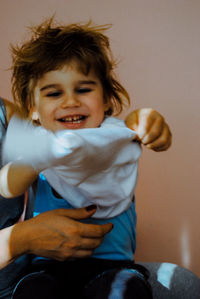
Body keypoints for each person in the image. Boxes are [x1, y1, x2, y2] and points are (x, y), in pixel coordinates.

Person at [0, 18, 199, 299]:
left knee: (124, 290)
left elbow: (137, 125)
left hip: (112, 268)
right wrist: (38, 158)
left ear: (106, 99)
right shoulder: (38, 145)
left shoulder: (113, 137)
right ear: (33, 109)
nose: (70, 101)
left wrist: (147, 123)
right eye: (54, 93)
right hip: (46, 271)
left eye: (83, 89)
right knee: (34, 292)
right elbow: (7, 186)